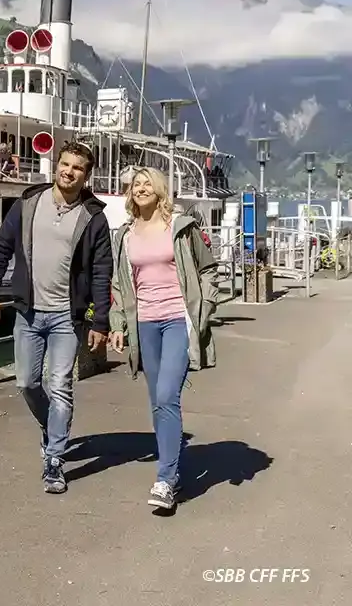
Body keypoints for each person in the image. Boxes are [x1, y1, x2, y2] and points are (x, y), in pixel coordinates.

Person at [0, 141, 114, 495]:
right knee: (26, 382)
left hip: (66, 317)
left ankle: (54, 459)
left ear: (87, 176)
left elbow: (102, 272)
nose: (68, 172)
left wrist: (100, 321)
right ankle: (51, 428)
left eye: (77, 168)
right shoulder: (29, 204)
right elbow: (1, 248)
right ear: (57, 166)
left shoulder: (94, 218)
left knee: (60, 386)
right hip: (27, 310)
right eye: (65, 164)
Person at [108, 167, 219, 511]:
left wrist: (205, 308)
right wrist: (117, 324)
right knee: (158, 400)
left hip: (177, 320)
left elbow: (208, 269)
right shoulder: (124, 235)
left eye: (147, 184)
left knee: (168, 394)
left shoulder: (181, 227)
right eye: (135, 185)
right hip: (144, 323)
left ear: (159, 191)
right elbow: (119, 283)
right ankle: (172, 462)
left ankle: (166, 478)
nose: (140, 188)